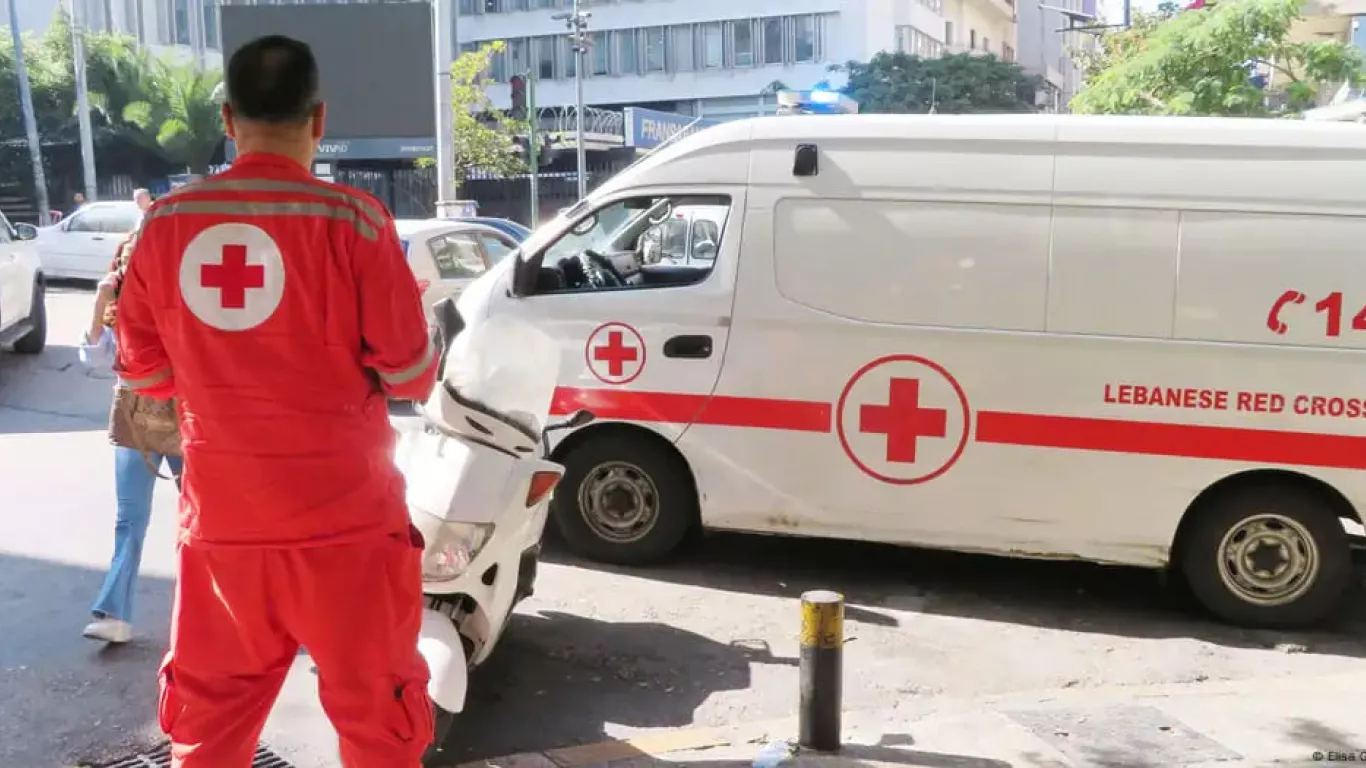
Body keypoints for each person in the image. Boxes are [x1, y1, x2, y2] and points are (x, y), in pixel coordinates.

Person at [114, 34, 440, 767]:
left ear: (229, 121)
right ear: (319, 119)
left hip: (225, 532)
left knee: (207, 735)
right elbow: (411, 375)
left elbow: (143, 374)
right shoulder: (357, 221)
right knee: (380, 730)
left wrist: (213, 372)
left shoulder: (165, 224)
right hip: (350, 530)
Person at [78, 235, 184, 644]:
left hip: (184, 418)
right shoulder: (118, 307)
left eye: (136, 261)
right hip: (134, 421)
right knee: (129, 519)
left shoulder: (180, 301)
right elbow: (95, 357)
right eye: (124, 261)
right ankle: (115, 613)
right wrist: (99, 303)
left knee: (204, 519)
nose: (128, 268)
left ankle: (219, 613)